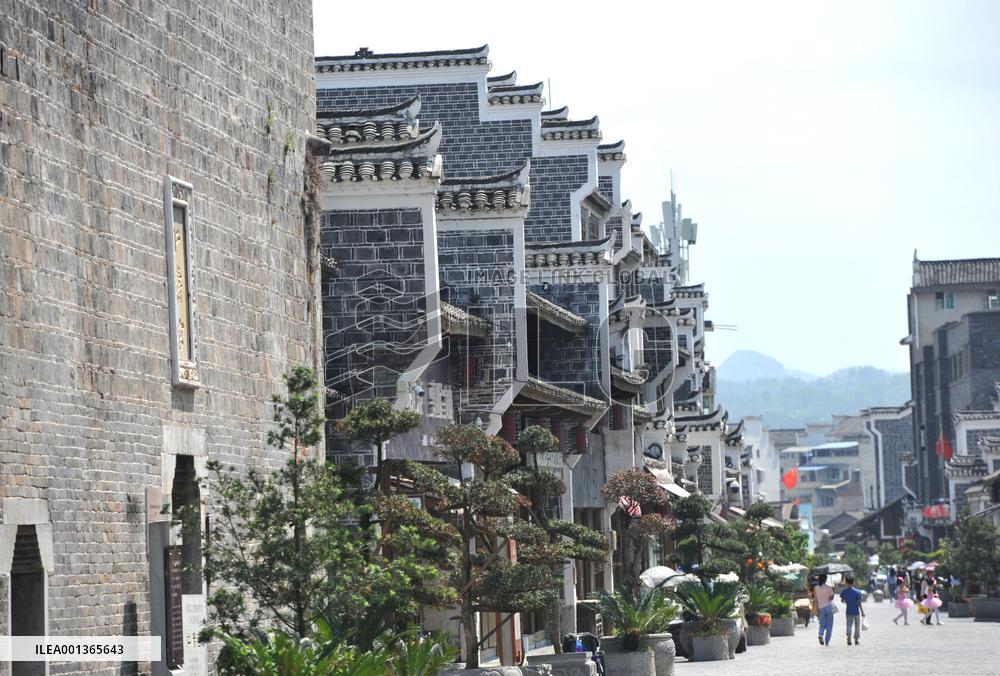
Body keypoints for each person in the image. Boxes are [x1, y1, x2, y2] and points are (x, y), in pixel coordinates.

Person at [840, 575, 866, 645]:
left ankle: (849, 638)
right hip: (856, 612)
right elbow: (859, 603)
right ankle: (856, 640)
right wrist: (862, 612)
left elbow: (842, 600)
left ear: (846, 582)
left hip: (848, 611)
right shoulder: (857, 592)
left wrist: (847, 600)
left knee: (849, 625)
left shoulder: (844, 591)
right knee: (857, 626)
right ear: (853, 582)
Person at [814, 573, 835, 646]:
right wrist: (833, 592)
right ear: (825, 580)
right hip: (829, 607)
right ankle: (827, 641)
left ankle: (820, 634)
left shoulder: (815, 588)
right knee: (829, 625)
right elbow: (831, 599)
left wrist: (817, 610)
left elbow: (816, 600)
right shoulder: (829, 588)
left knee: (822, 624)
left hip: (821, 608)